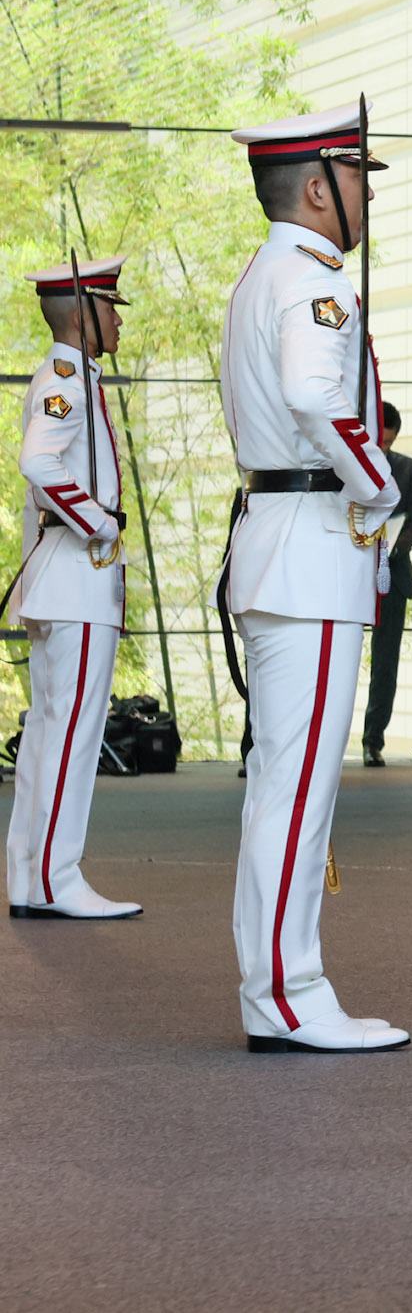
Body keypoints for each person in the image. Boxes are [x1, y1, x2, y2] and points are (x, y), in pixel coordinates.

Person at [221, 102, 408, 1052]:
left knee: (278, 785)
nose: (367, 192)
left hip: (278, 539)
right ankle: (288, 995)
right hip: (309, 549)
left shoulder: (265, 274)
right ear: (316, 187)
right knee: (296, 790)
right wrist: (379, 486)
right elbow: (312, 393)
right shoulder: (311, 280)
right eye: (357, 175)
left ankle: (277, 986)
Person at [6, 257, 140, 921]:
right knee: (71, 736)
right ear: (83, 314)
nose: (118, 318)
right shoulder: (65, 376)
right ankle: (57, 879)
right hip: (75, 579)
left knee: (48, 735)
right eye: (111, 306)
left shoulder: (69, 376)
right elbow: (38, 460)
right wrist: (95, 520)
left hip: (57, 581)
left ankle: (31, 879)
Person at [360, 400, 412, 769]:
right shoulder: (345, 467)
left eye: (388, 443)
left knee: (385, 664)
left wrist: (390, 548)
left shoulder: (409, 469)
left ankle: (374, 741)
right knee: (340, 657)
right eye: (377, 442)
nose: (382, 449)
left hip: (393, 573)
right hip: (349, 574)